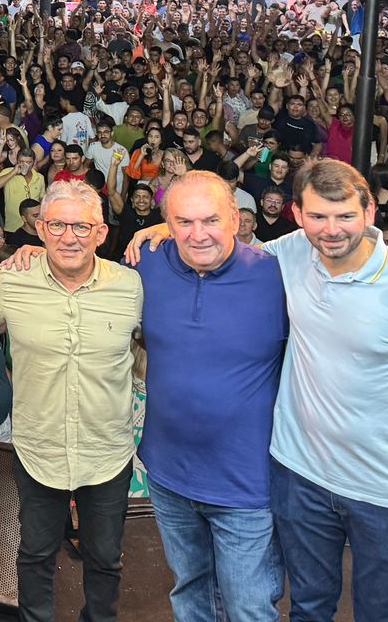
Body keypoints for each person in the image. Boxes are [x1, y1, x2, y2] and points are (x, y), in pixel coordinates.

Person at [130, 159, 388, 622]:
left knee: (367, 611)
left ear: (370, 211)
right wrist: (159, 227)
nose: (331, 229)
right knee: (304, 607)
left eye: (345, 215)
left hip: (375, 486)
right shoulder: (289, 255)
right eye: (317, 216)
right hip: (299, 476)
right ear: (298, 215)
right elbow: (201, 231)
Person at [0, 180, 142, 622]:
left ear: (102, 233)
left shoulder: (131, 286)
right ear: (40, 228)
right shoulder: (9, 282)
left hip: (106, 450)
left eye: (82, 227)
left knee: (105, 558)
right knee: (34, 554)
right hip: (39, 448)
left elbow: (150, 346)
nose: (69, 237)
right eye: (57, 225)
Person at [138, 172, 288, 622]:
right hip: (169, 476)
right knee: (191, 595)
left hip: (247, 483)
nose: (197, 234)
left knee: (248, 606)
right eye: (183, 221)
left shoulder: (278, 276)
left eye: (210, 220)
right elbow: (75, 266)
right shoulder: (146, 264)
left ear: (238, 219)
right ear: (166, 222)